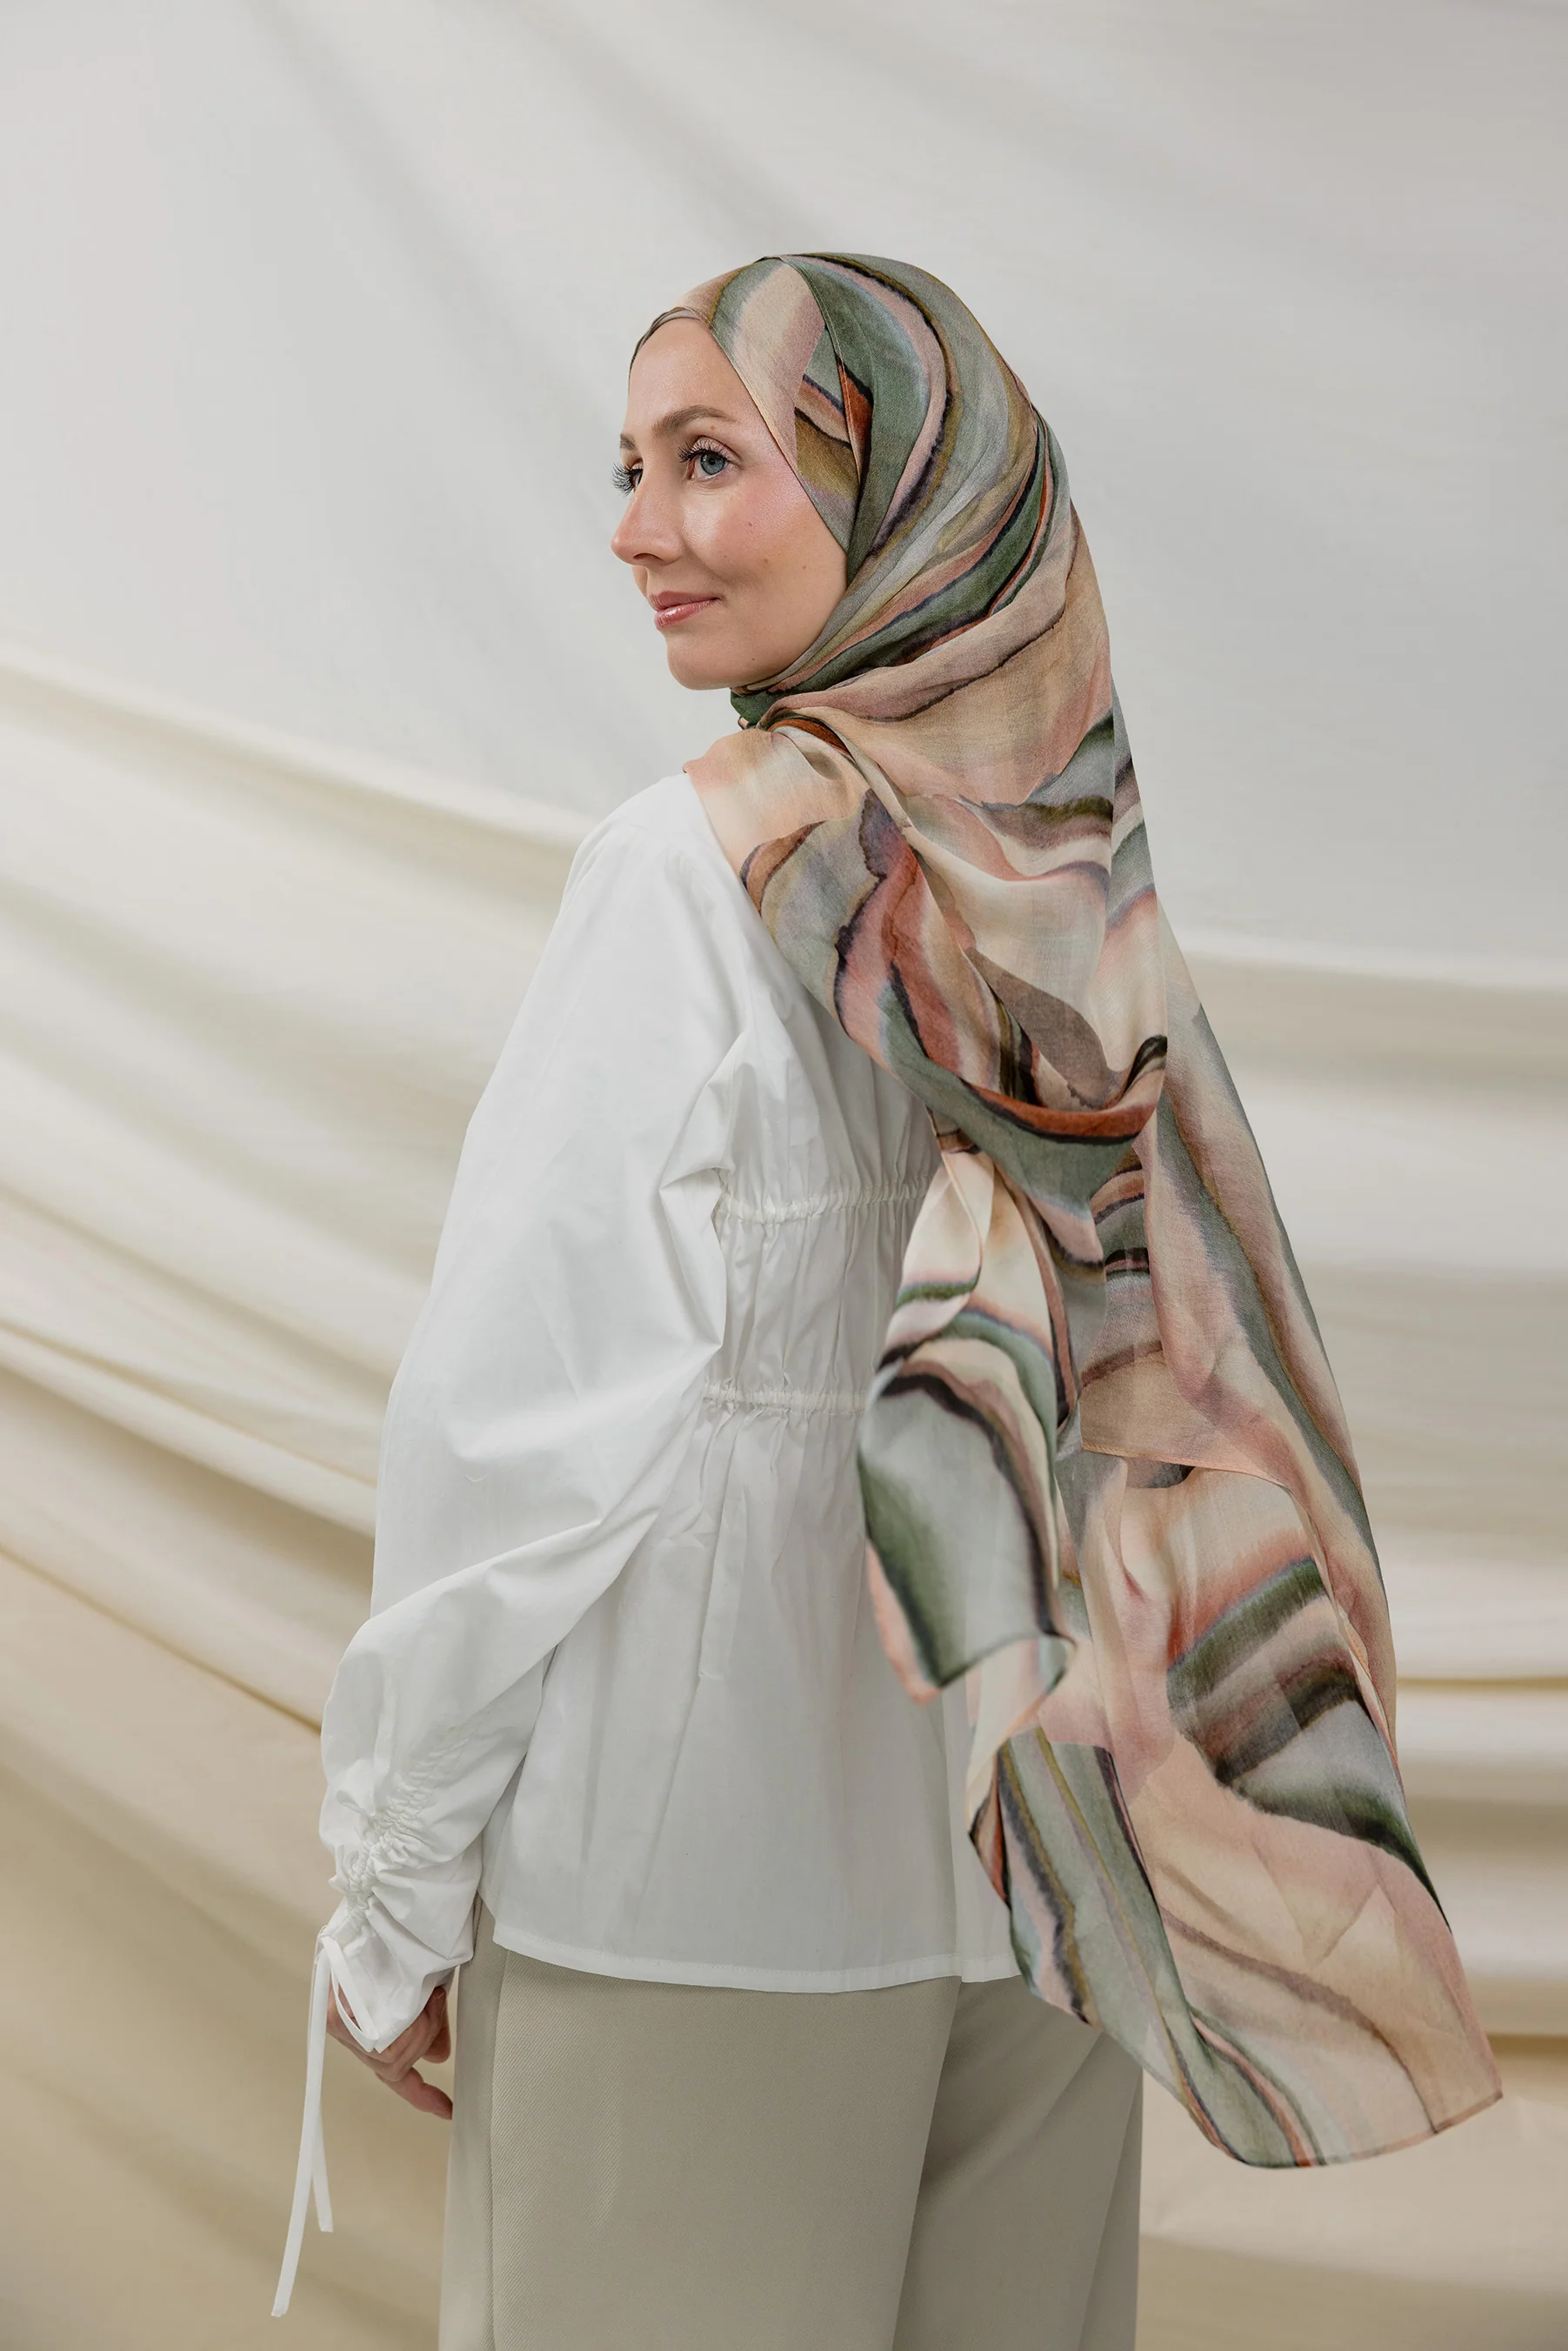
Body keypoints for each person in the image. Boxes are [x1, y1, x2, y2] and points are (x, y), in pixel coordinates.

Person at [274, 256, 1498, 2348]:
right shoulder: (1064, 882)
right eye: (627, 466)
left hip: (695, 1888)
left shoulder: (686, 871)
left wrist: (396, 1881)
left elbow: (522, 1432)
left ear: (906, 490)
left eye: (708, 459)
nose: (636, 528)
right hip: (1040, 1882)